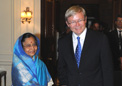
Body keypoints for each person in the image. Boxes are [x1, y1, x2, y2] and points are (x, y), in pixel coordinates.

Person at [57, 5, 113, 86]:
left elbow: (107, 69)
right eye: (73, 22)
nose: (77, 24)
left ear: (85, 20)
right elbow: (61, 67)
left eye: (80, 20)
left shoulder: (100, 39)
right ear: (67, 24)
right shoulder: (63, 42)